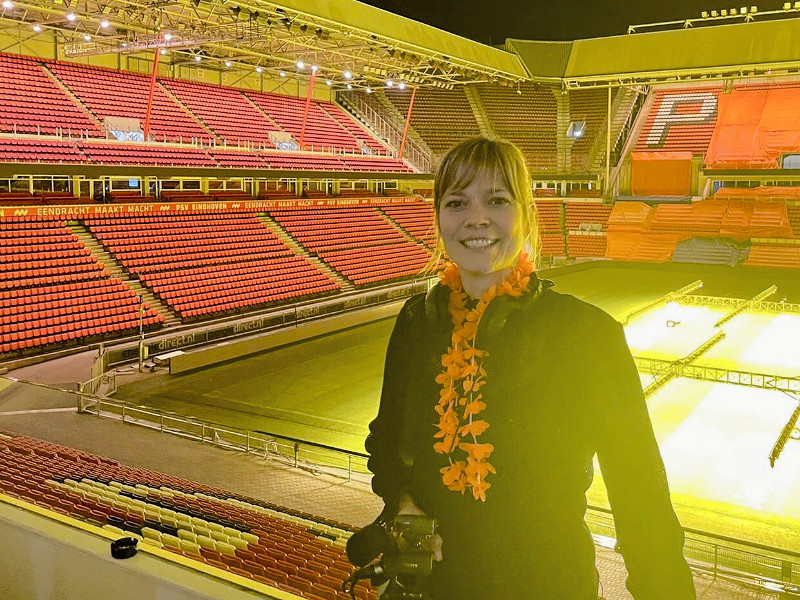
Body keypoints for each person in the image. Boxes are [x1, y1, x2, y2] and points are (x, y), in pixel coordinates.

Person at [365, 137, 696, 599]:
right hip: (434, 586)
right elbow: (387, 441)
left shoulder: (588, 333)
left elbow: (641, 494)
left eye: (497, 200)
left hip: (548, 584)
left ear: (526, 213)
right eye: (457, 202)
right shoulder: (417, 321)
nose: (476, 218)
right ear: (439, 218)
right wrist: (403, 503)